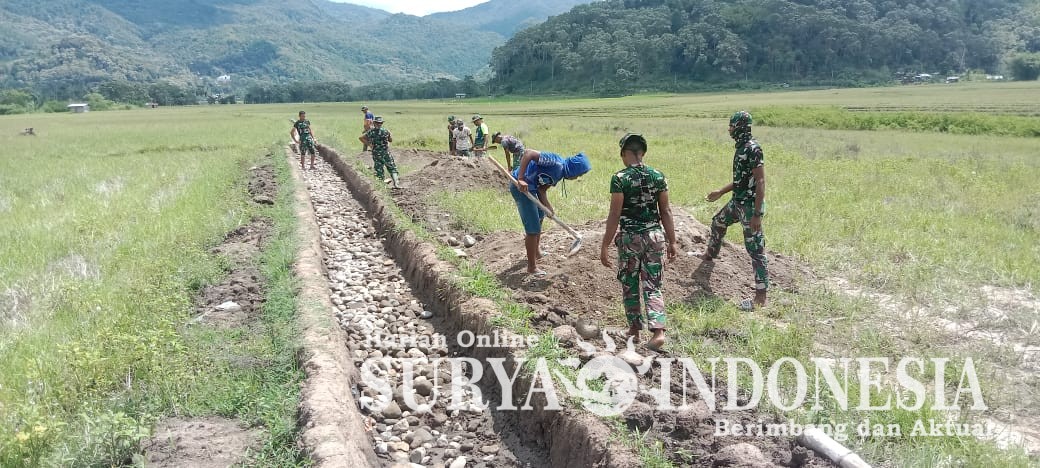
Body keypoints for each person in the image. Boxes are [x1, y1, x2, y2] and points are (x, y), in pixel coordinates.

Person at [600, 134, 677, 351]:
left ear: (624, 153)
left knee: (630, 283)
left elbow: (615, 214)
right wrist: (672, 241)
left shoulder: (620, 178)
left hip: (630, 239)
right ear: (642, 153)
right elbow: (666, 211)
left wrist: (605, 244)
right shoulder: (658, 176)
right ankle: (658, 332)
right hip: (655, 237)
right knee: (653, 285)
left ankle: (634, 329)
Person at [699, 111, 769, 310]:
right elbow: (742, 180)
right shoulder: (741, 148)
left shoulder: (753, 149)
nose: (729, 129)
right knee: (718, 222)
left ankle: (760, 299)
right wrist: (721, 192)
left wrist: (757, 214)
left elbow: (760, 181)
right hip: (737, 202)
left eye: (732, 126)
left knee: (755, 249)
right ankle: (709, 256)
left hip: (749, 207)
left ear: (740, 127)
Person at [512, 150, 592, 277]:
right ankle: (532, 267)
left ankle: (537, 252)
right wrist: (521, 178)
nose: (577, 178)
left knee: (540, 216)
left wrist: (548, 207)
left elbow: (541, 189)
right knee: (532, 229)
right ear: (574, 169)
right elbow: (528, 153)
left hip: (532, 189)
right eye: (578, 174)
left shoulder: (558, 174)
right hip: (520, 187)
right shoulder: (555, 162)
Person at [359, 116, 400, 189]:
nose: (379, 124)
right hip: (386, 152)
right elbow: (390, 140)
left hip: (376, 153)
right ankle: (396, 184)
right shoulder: (386, 131)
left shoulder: (371, 132)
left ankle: (381, 187)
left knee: (379, 170)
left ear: (374, 123)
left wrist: (369, 145)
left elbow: (361, 138)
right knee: (392, 168)